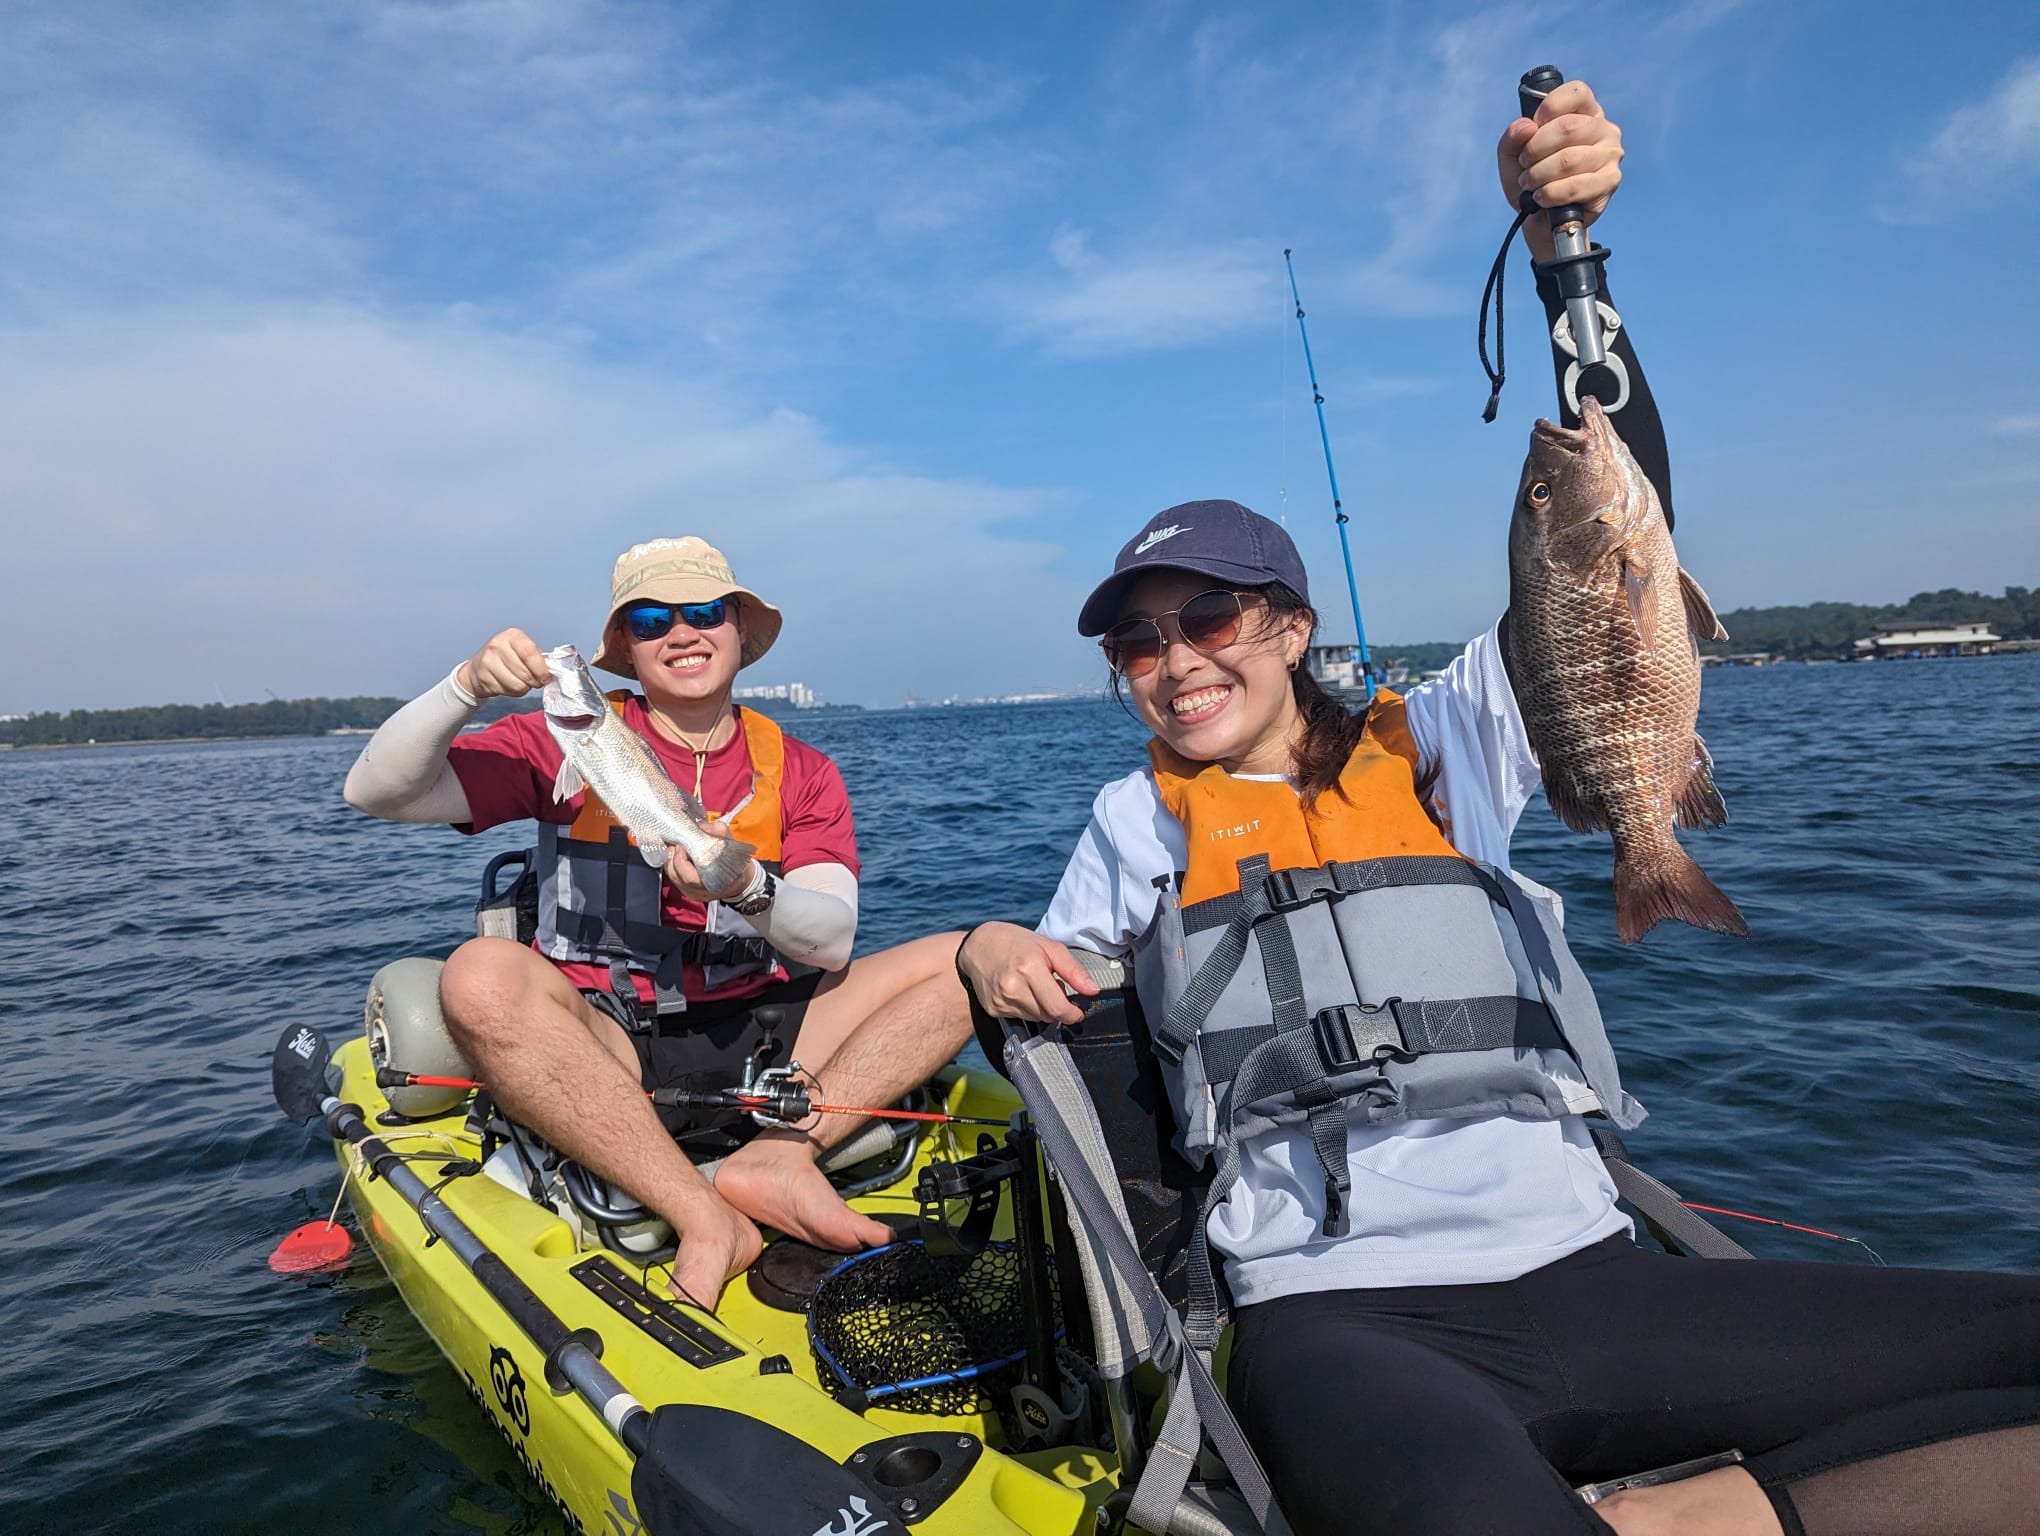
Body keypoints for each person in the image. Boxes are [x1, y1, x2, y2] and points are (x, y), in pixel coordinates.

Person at [955, 82, 2040, 1536]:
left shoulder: (1451, 736)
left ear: (1287, 626)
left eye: (1208, 615)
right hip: (1337, 1322)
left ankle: (1716, 1516)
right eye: (1137, 642)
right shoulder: (1130, 824)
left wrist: (1564, 255)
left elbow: (1611, 525)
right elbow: (1057, 996)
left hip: (1585, 1272)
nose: (1174, 659)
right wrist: (978, 946)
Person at [345, 536, 967, 1309]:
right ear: (625, 650)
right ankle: (703, 1216)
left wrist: (746, 885)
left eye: (704, 611)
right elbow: (379, 792)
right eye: (650, 619)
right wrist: (463, 686)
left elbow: (832, 938)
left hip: (772, 1030)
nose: (681, 633)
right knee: (477, 973)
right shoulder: (562, 738)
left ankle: (778, 1159)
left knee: (971, 963)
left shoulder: (802, 769)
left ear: (739, 631)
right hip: (613, 1036)